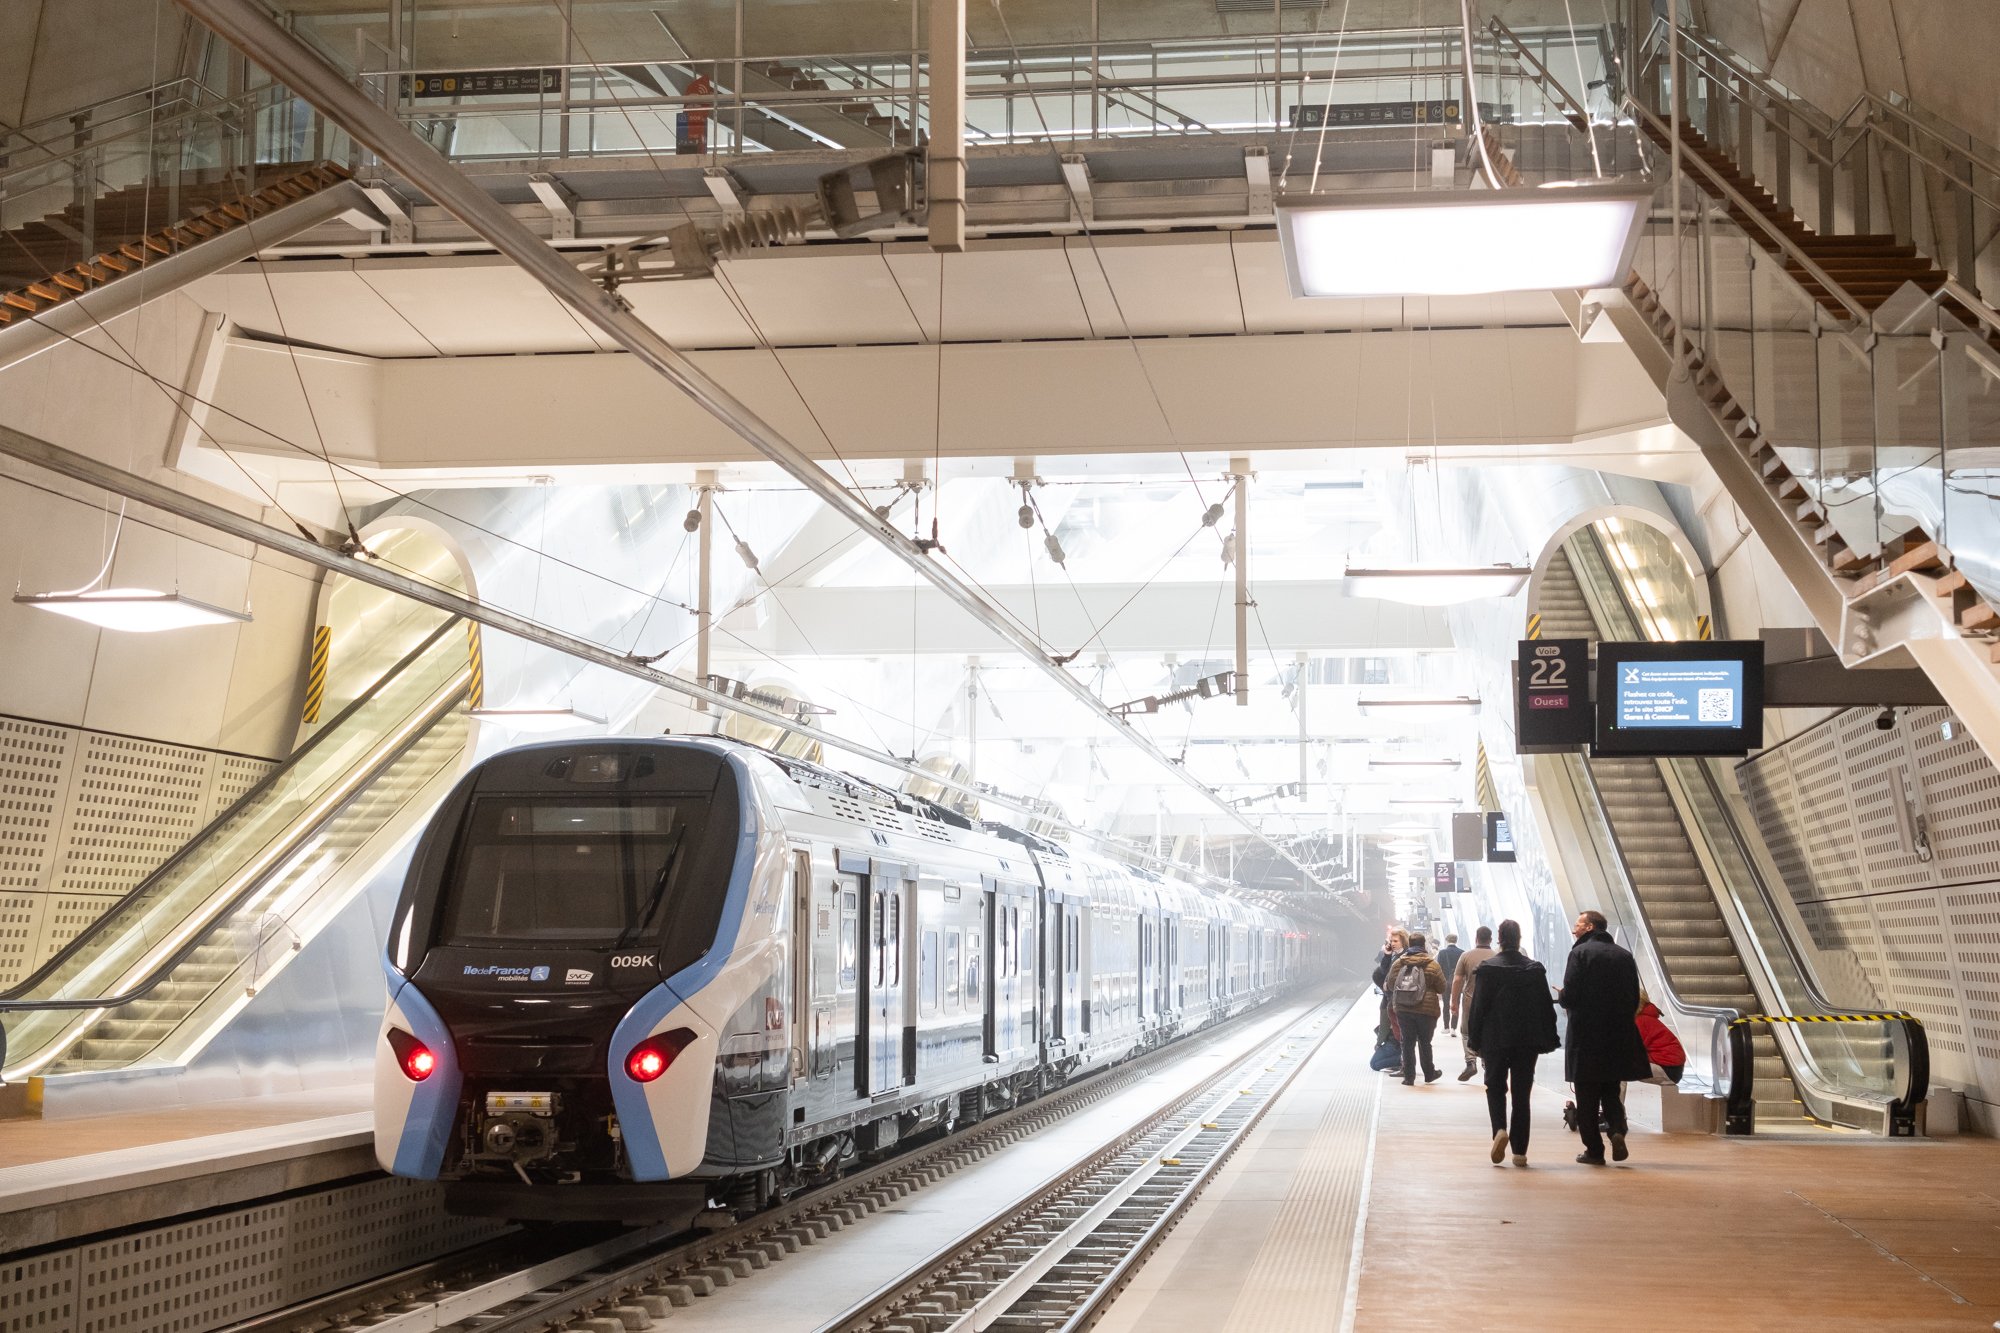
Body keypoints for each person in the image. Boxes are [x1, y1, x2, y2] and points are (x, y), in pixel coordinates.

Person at [1559, 910, 1652, 1165]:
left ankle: (1594, 1150)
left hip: (1586, 1036)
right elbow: (1635, 997)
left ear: (1589, 927)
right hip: (1618, 1035)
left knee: (1586, 1094)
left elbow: (1571, 994)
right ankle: (1617, 1131)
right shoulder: (1624, 956)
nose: (1573, 930)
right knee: (1611, 1090)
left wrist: (1563, 995)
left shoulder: (1579, 953)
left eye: (1577, 925)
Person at [1464, 919, 1559, 1167]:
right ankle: (1520, 1152)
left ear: (1499, 938)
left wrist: (1474, 1040)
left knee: (1495, 1086)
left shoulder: (1488, 969)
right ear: (1520, 939)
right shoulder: (1534, 969)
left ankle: (1499, 1130)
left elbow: (1478, 1008)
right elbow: (1546, 1008)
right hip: (1526, 1040)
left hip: (1495, 1039)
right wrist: (1549, 1038)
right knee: (1521, 1093)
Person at [1384, 932, 1447, 1085]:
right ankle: (1429, 1073)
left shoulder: (1399, 963)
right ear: (1423, 944)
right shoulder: (1432, 964)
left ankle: (1409, 1077)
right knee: (1425, 1042)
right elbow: (1442, 987)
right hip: (1427, 1010)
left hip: (1404, 1008)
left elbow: (1391, 985)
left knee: (1407, 1042)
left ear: (1409, 945)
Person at [1452, 926, 1496, 1080]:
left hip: (1470, 1000)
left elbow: (1457, 980)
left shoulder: (1466, 956)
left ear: (1476, 938)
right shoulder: (1497, 955)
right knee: (1488, 1032)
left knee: (1466, 1032)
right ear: (1490, 939)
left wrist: (1454, 1002)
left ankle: (1471, 1062)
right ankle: (1487, 1062)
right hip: (1493, 1002)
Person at [1636, 996, 1687, 1083]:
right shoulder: (1646, 1019)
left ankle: (1614, 1097)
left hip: (1667, 1070)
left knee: (1621, 1070)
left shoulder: (1641, 1021)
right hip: (1672, 1069)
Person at [1434, 934, 1464, 1032]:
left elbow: (1439, 969)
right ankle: (1454, 1028)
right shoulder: (1462, 953)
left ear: (1446, 940)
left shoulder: (1442, 953)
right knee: (1456, 1002)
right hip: (1458, 982)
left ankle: (1446, 1027)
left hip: (1445, 981)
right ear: (1456, 940)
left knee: (1446, 1004)